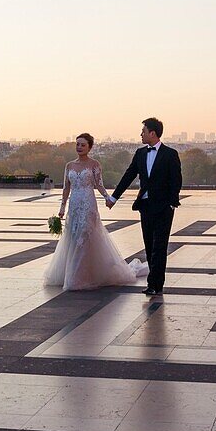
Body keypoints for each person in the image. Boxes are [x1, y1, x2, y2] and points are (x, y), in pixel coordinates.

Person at [45, 134, 146, 291]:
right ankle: (74, 274)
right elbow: (66, 188)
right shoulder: (69, 166)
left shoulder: (94, 164)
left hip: (88, 204)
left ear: (89, 147)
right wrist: (62, 208)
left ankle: (80, 277)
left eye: (83, 145)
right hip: (74, 205)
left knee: (86, 236)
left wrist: (109, 198)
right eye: (77, 144)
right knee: (73, 236)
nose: (79, 147)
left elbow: (99, 184)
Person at [106, 118, 182, 297]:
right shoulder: (140, 154)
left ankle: (156, 284)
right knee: (149, 245)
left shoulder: (170, 154)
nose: (141, 134)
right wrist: (114, 196)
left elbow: (176, 180)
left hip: (163, 207)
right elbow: (128, 175)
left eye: (143, 131)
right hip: (146, 206)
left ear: (152, 133)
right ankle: (153, 283)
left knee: (160, 246)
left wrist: (172, 203)